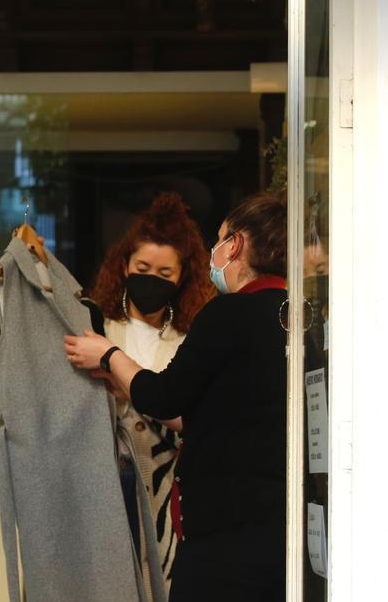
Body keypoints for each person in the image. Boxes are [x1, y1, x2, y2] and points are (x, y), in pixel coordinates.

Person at [64, 192, 288, 602]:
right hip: (276, 533)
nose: (214, 252)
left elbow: (166, 398)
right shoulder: (295, 315)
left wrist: (110, 357)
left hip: (222, 533)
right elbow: (207, 412)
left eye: (220, 240)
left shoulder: (226, 315)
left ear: (235, 244)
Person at [86, 192, 215, 598]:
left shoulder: (191, 338)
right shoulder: (98, 328)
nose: (151, 279)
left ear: (182, 276)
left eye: (164, 272)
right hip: (105, 486)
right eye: (142, 267)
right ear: (124, 266)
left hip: (171, 493)